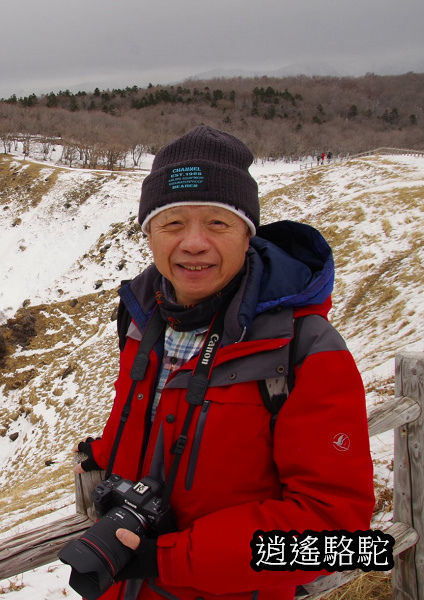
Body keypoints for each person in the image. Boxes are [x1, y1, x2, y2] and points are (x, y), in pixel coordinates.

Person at [67, 126, 375, 600]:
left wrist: (169, 560)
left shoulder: (305, 349)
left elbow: (341, 540)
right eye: (172, 223)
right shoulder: (141, 315)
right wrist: (105, 454)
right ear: (148, 233)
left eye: (218, 223)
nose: (193, 243)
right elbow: (153, 413)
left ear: (247, 234)